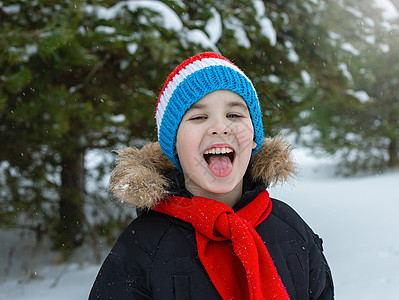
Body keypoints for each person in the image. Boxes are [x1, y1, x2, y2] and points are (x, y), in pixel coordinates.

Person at [89, 52, 334, 299]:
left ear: (253, 138)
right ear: (174, 144)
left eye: (234, 115)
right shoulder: (144, 247)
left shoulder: (290, 228)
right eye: (198, 117)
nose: (220, 127)